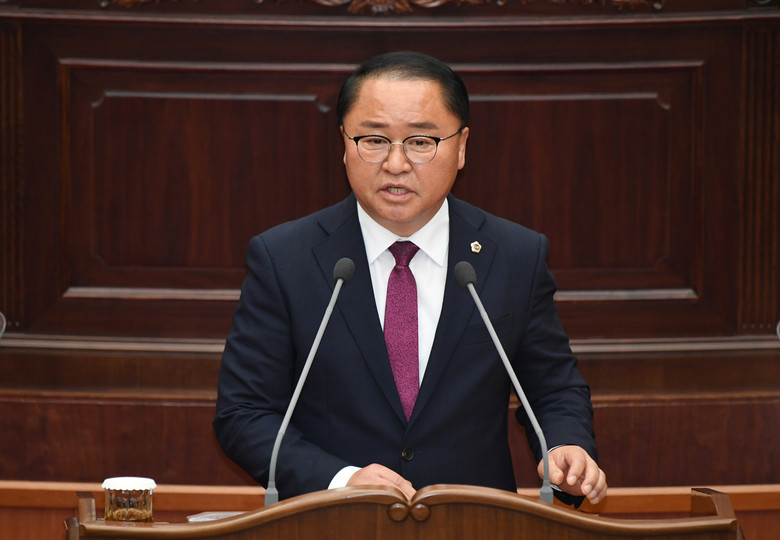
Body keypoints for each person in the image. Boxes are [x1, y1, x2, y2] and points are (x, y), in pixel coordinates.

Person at [213, 51, 607, 507]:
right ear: (344, 144)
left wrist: (565, 447)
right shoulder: (285, 259)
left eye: (421, 141)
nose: (396, 163)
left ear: (461, 147)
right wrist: (341, 480)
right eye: (374, 139)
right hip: (332, 524)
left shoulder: (515, 255)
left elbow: (552, 388)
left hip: (476, 523)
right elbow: (244, 413)